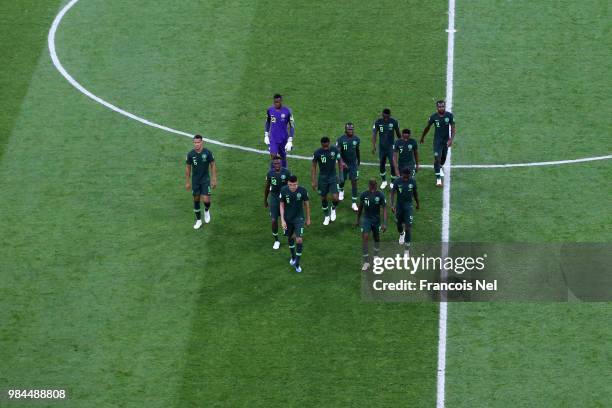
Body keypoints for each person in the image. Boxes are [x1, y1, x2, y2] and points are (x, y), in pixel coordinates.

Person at [419, 100, 455, 187]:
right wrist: (422, 137)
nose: (441, 108)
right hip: (437, 141)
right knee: (437, 158)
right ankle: (438, 179)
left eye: (442, 106)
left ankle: (439, 167)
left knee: (443, 158)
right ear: (437, 107)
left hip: (445, 141)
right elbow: (427, 127)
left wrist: (451, 139)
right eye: (439, 107)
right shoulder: (433, 117)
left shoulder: (449, 116)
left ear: (445, 107)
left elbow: (453, 129)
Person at [279, 175, 311, 273]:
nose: (292, 187)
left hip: (299, 219)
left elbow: (306, 204)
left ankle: (297, 262)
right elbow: (281, 205)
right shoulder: (284, 190)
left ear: (298, 183)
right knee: (290, 238)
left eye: (294, 184)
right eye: (290, 185)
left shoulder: (303, 191)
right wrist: (282, 220)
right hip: (288, 219)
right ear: (287, 183)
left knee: (299, 239)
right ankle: (293, 257)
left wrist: (308, 218)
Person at [185, 135, 217, 229]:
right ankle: (198, 220)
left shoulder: (207, 153)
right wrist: (187, 181)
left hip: (205, 180)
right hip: (195, 181)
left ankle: (206, 210)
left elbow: (213, 165)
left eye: (198, 142)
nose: (196, 144)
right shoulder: (190, 154)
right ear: (193, 143)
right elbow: (187, 168)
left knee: (206, 200)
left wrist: (214, 179)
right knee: (196, 199)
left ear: (202, 142)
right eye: (195, 142)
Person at [356, 179, 387, 271]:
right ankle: (366, 262)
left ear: (376, 186)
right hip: (366, 219)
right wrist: (357, 219)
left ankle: (376, 256)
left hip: (376, 220)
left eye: (374, 187)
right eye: (371, 186)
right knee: (365, 237)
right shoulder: (364, 195)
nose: (373, 189)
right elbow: (360, 207)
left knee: (376, 238)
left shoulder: (380, 195)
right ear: (369, 186)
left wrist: (384, 223)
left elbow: (384, 209)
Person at [311, 136, 342, 226]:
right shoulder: (317, 153)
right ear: (321, 144)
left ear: (329, 143)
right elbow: (313, 166)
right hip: (322, 178)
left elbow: (340, 161)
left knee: (336, 197)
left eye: (326, 146)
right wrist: (313, 181)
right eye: (324, 146)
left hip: (332, 177)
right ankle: (326, 216)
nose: (325, 148)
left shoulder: (334, 150)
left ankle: (333, 209)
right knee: (323, 197)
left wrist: (341, 175)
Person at [390, 168, 420, 255]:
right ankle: (401, 234)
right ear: (402, 174)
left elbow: (415, 193)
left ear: (409, 175)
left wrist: (418, 203)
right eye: (404, 177)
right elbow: (392, 193)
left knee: (408, 227)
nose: (406, 178)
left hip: (408, 206)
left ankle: (406, 251)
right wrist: (392, 205)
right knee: (398, 224)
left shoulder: (413, 182)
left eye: (407, 177)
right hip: (399, 206)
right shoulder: (397, 181)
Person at [264, 156, 292, 250]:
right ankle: (276, 240)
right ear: (273, 164)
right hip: (274, 198)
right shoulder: (270, 173)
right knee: (273, 220)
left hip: (284, 198)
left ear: (281, 163)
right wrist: (265, 199)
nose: (277, 165)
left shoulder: (287, 172)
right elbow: (267, 187)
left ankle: (287, 231)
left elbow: (291, 186)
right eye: (275, 163)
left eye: (278, 163)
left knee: (288, 218)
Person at [372, 108, 401, 189]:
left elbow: (398, 134)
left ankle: (392, 181)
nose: (386, 118)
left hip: (391, 147)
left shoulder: (394, 122)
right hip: (382, 147)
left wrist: (401, 144)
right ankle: (384, 181)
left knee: (392, 164)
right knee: (382, 164)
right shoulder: (378, 122)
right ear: (382, 115)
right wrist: (374, 146)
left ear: (390, 115)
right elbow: (374, 134)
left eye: (387, 117)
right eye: (384, 117)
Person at [264, 94, 295, 168]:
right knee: (273, 156)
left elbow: (292, 126)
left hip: (283, 138)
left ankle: (285, 172)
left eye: (278, 102)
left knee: (283, 156)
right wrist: (266, 134)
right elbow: (267, 121)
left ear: (281, 101)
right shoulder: (270, 110)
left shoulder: (287, 111)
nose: (276, 104)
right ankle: (272, 174)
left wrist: (290, 140)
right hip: (273, 138)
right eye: (275, 102)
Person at [336, 122, 361, 211]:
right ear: (345, 130)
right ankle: (341, 191)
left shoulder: (357, 139)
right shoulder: (340, 139)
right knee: (342, 180)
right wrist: (342, 162)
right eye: (349, 129)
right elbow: (338, 152)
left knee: (354, 182)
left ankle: (354, 203)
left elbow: (357, 150)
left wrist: (359, 160)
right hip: (343, 164)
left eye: (352, 129)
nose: (351, 131)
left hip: (353, 164)